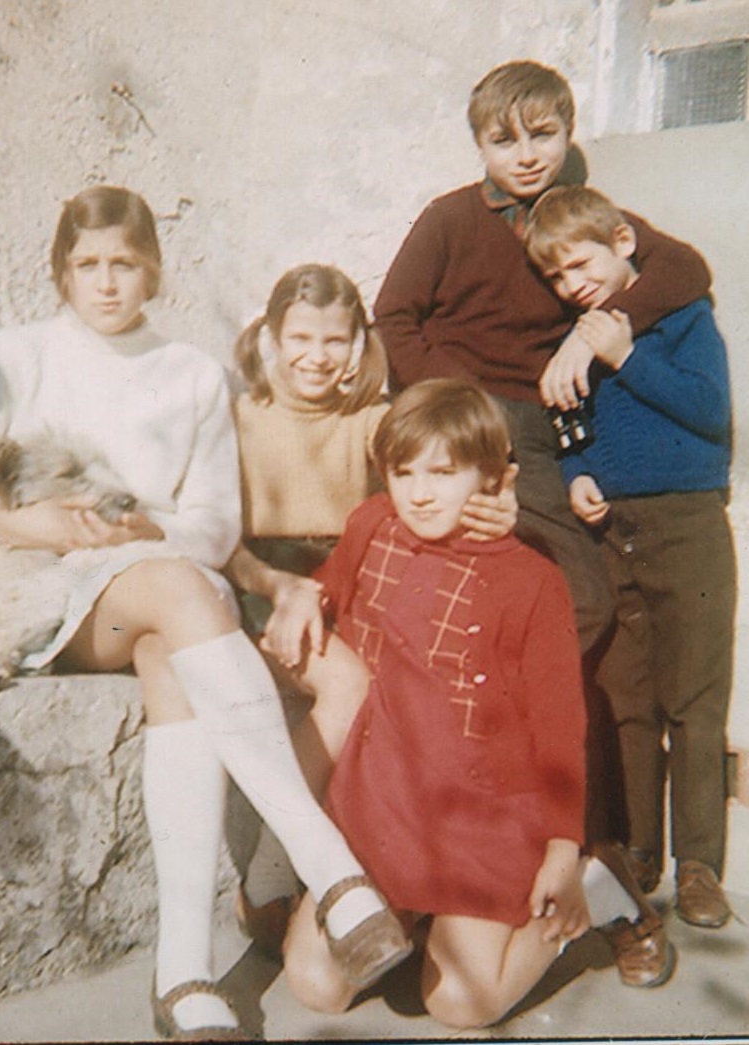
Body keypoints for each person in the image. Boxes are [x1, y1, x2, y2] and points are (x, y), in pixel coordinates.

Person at [0, 189, 414, 1040]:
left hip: (152, 592)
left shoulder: (192, 375)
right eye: (87, 265)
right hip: (34, 594)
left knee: (176, 637)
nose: (106, 283)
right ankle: (330, 868)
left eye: (125, 265)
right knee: (184, 593)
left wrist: (142, 528)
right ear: (61, 272)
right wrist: (27, 524)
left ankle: (182, 973)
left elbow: (212, 525)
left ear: (154, 272)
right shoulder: (13, 357)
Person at [280, 379, 674, 1027]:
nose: (420, 492)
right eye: (403, 472)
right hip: (381, 805)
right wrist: (301, 595)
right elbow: (326, 587)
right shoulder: (372, 525)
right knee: (316, 982)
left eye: (443, 472)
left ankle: (598, 884)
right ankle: (414, 915)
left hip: (484, 817)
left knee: (460, 1002)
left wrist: (559, 850)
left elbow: (558, 727)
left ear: (494, 479)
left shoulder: (531, 579)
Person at [223, 263, 516, 958]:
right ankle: (269, 875)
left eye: (334, 339)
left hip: (351, 578)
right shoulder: (240, 416)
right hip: (263, 581)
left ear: (356, 342)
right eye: (300, 338)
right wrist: (277, 588)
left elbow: (462, 454)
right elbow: (219, 538)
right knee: (348, 685)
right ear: (270, 337)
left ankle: (422, 871)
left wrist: (501, 499)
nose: (316, 356)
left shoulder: (373, 417)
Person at [373, 59, 711, 657]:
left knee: (583, 594)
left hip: (542, 426)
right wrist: (458, 402)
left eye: (543, 135)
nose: (526, 156)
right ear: (480, 147)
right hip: (463, 415)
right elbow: (394, 315)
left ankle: (508, 694)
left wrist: (588, 335)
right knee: (505, 583)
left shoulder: (579, 218)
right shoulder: (450, 218)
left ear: (568, 133)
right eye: (504, 141)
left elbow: (684, 267)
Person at [524, 185, 736, 928]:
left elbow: (709, 411)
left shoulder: (682, 318)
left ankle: (700, 866)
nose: (571, 284)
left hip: (686, 522)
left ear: (621, 243)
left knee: (695, 701)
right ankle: (641, 853)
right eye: (555, 276)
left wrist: (625, 356)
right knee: (629, 700)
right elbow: (571, 425)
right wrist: (576, 473)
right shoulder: (573, 336)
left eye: (579, 264)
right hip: (611, 530)